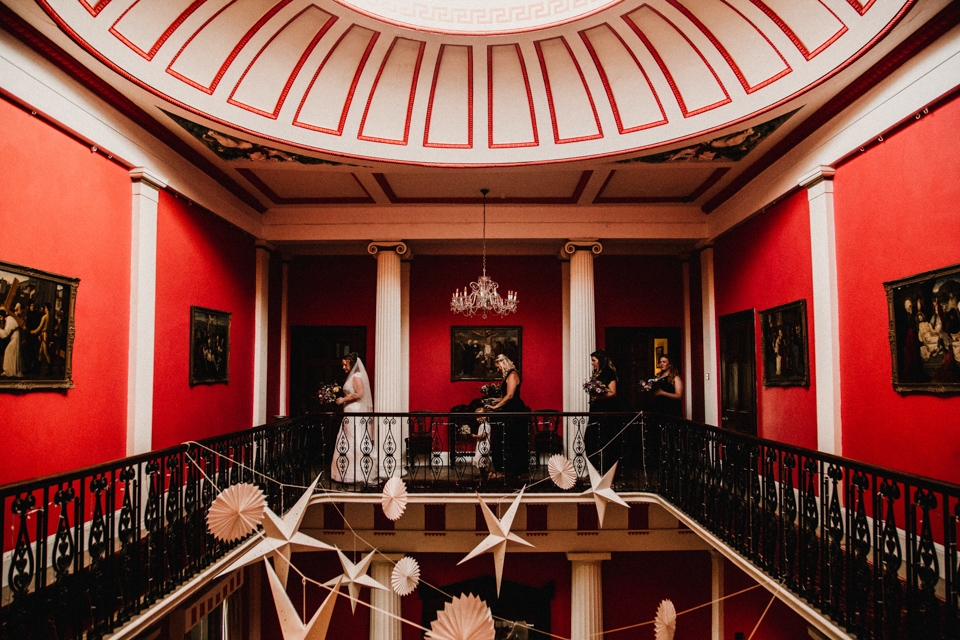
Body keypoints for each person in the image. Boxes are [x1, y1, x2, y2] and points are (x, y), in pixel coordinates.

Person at [332, 352, 376, 486]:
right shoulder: (352, 376)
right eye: (343, 365)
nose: (344, 367)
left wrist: (343, 399)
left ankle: (357, 472)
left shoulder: (357, 376)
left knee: (354, 439)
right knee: (348, 440)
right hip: (349, 414)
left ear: (352, 363)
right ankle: (347, 473)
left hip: (354, 412)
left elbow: (360, 393)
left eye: (345, 364)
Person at [484, 354, 529, 480]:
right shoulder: (508, 375)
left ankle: (516, 471)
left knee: (515, 441)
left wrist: (495, 406)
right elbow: (507, 396)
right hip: (510, 409)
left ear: (502, 362)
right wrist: (496, 399)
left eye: (497, 366)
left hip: (515, 412)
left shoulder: (513, 374)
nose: (497, 369)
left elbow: (510, 396)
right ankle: (506, 470)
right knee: (506, 440)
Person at [586, 349, 625, 475]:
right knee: (591, 439)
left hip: (606, 411)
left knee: (604, 439)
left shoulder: (608, 372)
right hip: (595, 410)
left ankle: (607, 471)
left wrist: (599, 396)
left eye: (594, 360)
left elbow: (613, 392)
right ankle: (595, 469)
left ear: (600, 360)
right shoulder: (596, 372)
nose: (592, 363)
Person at [0, 307, 23, 377]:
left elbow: (5, 334)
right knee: (9, 352)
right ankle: (9, 370)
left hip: (15, 337)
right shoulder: (9, 320)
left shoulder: (9, 320)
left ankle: (10, 371)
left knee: (9, 352)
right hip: (14, 337)